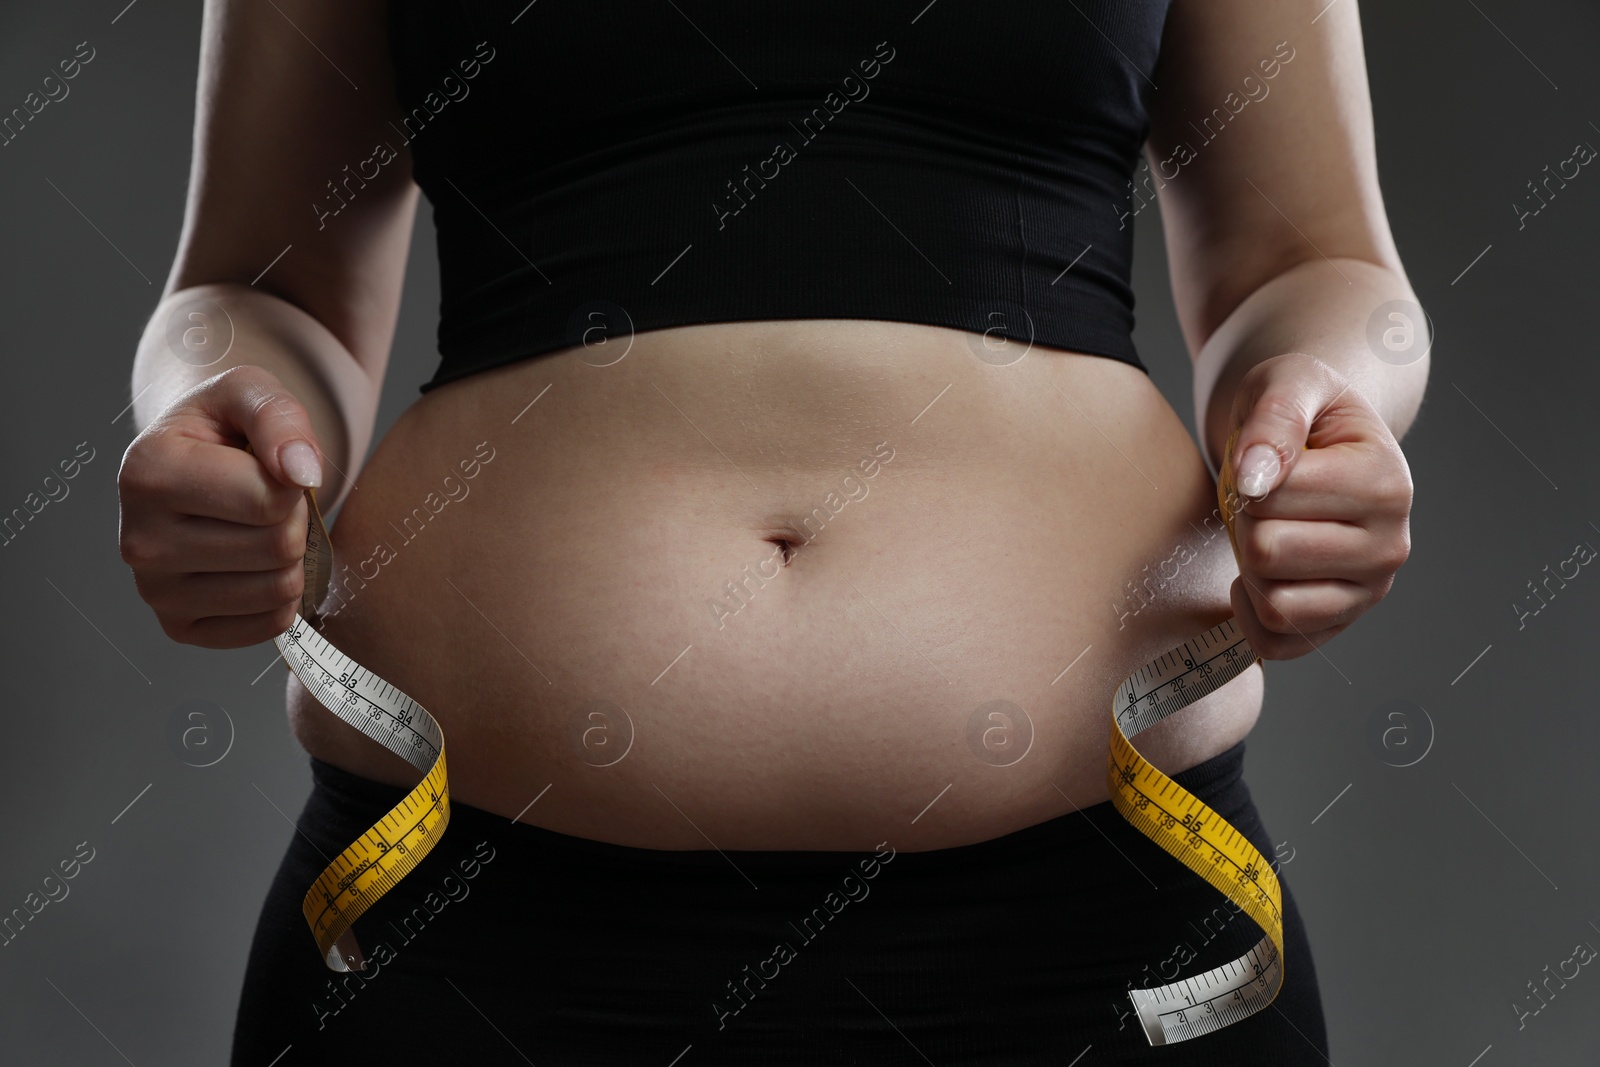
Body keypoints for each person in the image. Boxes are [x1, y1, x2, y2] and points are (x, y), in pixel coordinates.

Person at [116, 0, 1425, 1062]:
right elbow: (254, 284)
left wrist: (1323, 399)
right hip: (478, 936)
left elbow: (1313, 260)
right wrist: (222, 416)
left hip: (1091, 920)